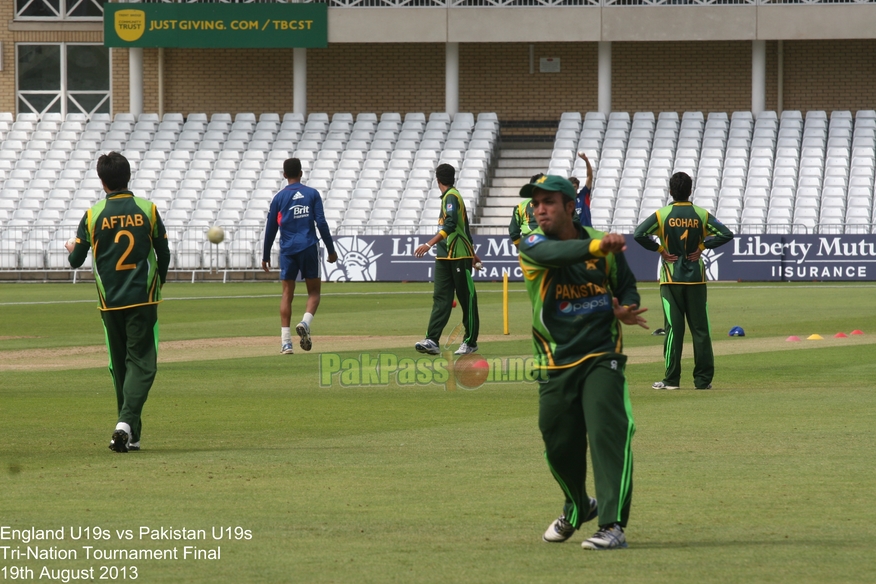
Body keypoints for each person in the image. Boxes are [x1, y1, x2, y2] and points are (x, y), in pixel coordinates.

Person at [517, 174, 648, 551]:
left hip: (600, 354)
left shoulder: (602, 244)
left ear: (571, 207)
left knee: (608, 434)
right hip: (555, 362)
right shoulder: (532, 242)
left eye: (549, 202)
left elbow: (625, 285)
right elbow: (552, 255)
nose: (539, 209)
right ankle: (578, 504)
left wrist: (624, 306)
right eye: (536, 203)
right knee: (558, 446)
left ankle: (612, 524)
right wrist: (596, 246)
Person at [65, 151, 170, 453]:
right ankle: (125, 424)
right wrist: (158, 281)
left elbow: (75, 260)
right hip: (143, 299)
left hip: (109, 301)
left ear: (102, 181)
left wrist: (72, 245)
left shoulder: (92, 214)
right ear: (127, 176)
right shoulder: (147, 210)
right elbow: (163, 253)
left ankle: (131, 435)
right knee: (144, 365)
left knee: (120, 366)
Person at [633, 171, 734, 390]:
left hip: (670, 280)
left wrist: (660, 249)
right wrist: (702, 247)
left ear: (670, 191)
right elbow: (726, 234)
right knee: (700, 329)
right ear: (690, 191)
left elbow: (639, 234)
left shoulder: (662, 215)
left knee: (673, 330)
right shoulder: (701, 214)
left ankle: (671, 381)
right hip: (696, 280)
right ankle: (703, 381)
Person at [262, 158, 338, 354]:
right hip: (308, 247)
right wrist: (330, 249)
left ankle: (286, 342)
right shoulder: (312, 194)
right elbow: (321, 222)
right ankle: (305, 322)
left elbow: (271, 228)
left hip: (287, 249)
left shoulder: (279, 198)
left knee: (287, 294)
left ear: (284, 174)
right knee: (314, 292)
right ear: (301, 173)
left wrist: (265, 254)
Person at [413, 163, 480, 356]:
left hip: (458, 255)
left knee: (467, 299)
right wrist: (474, 253)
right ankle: (432, 340)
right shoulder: (449, 197)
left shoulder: (451, 196)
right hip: (445, 255)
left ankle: (471, 341)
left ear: (437, 180)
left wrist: (428, 244)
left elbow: (451, 224)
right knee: (441, 298)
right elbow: (464, 227)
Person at [509, 173, 544, 247]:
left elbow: (513, 232)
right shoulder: (555, 204)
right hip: (550, 247)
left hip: (529, 246)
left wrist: (522, 249)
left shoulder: (521, 206)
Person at [570, 151, 594, 227]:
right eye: (571, 187)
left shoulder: (583, 195)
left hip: (587, 232)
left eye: (574, 187)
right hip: (575, 235)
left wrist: (586, 161)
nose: (573, 189)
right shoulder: (566, 202)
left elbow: (589, 177)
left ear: (577, 187)